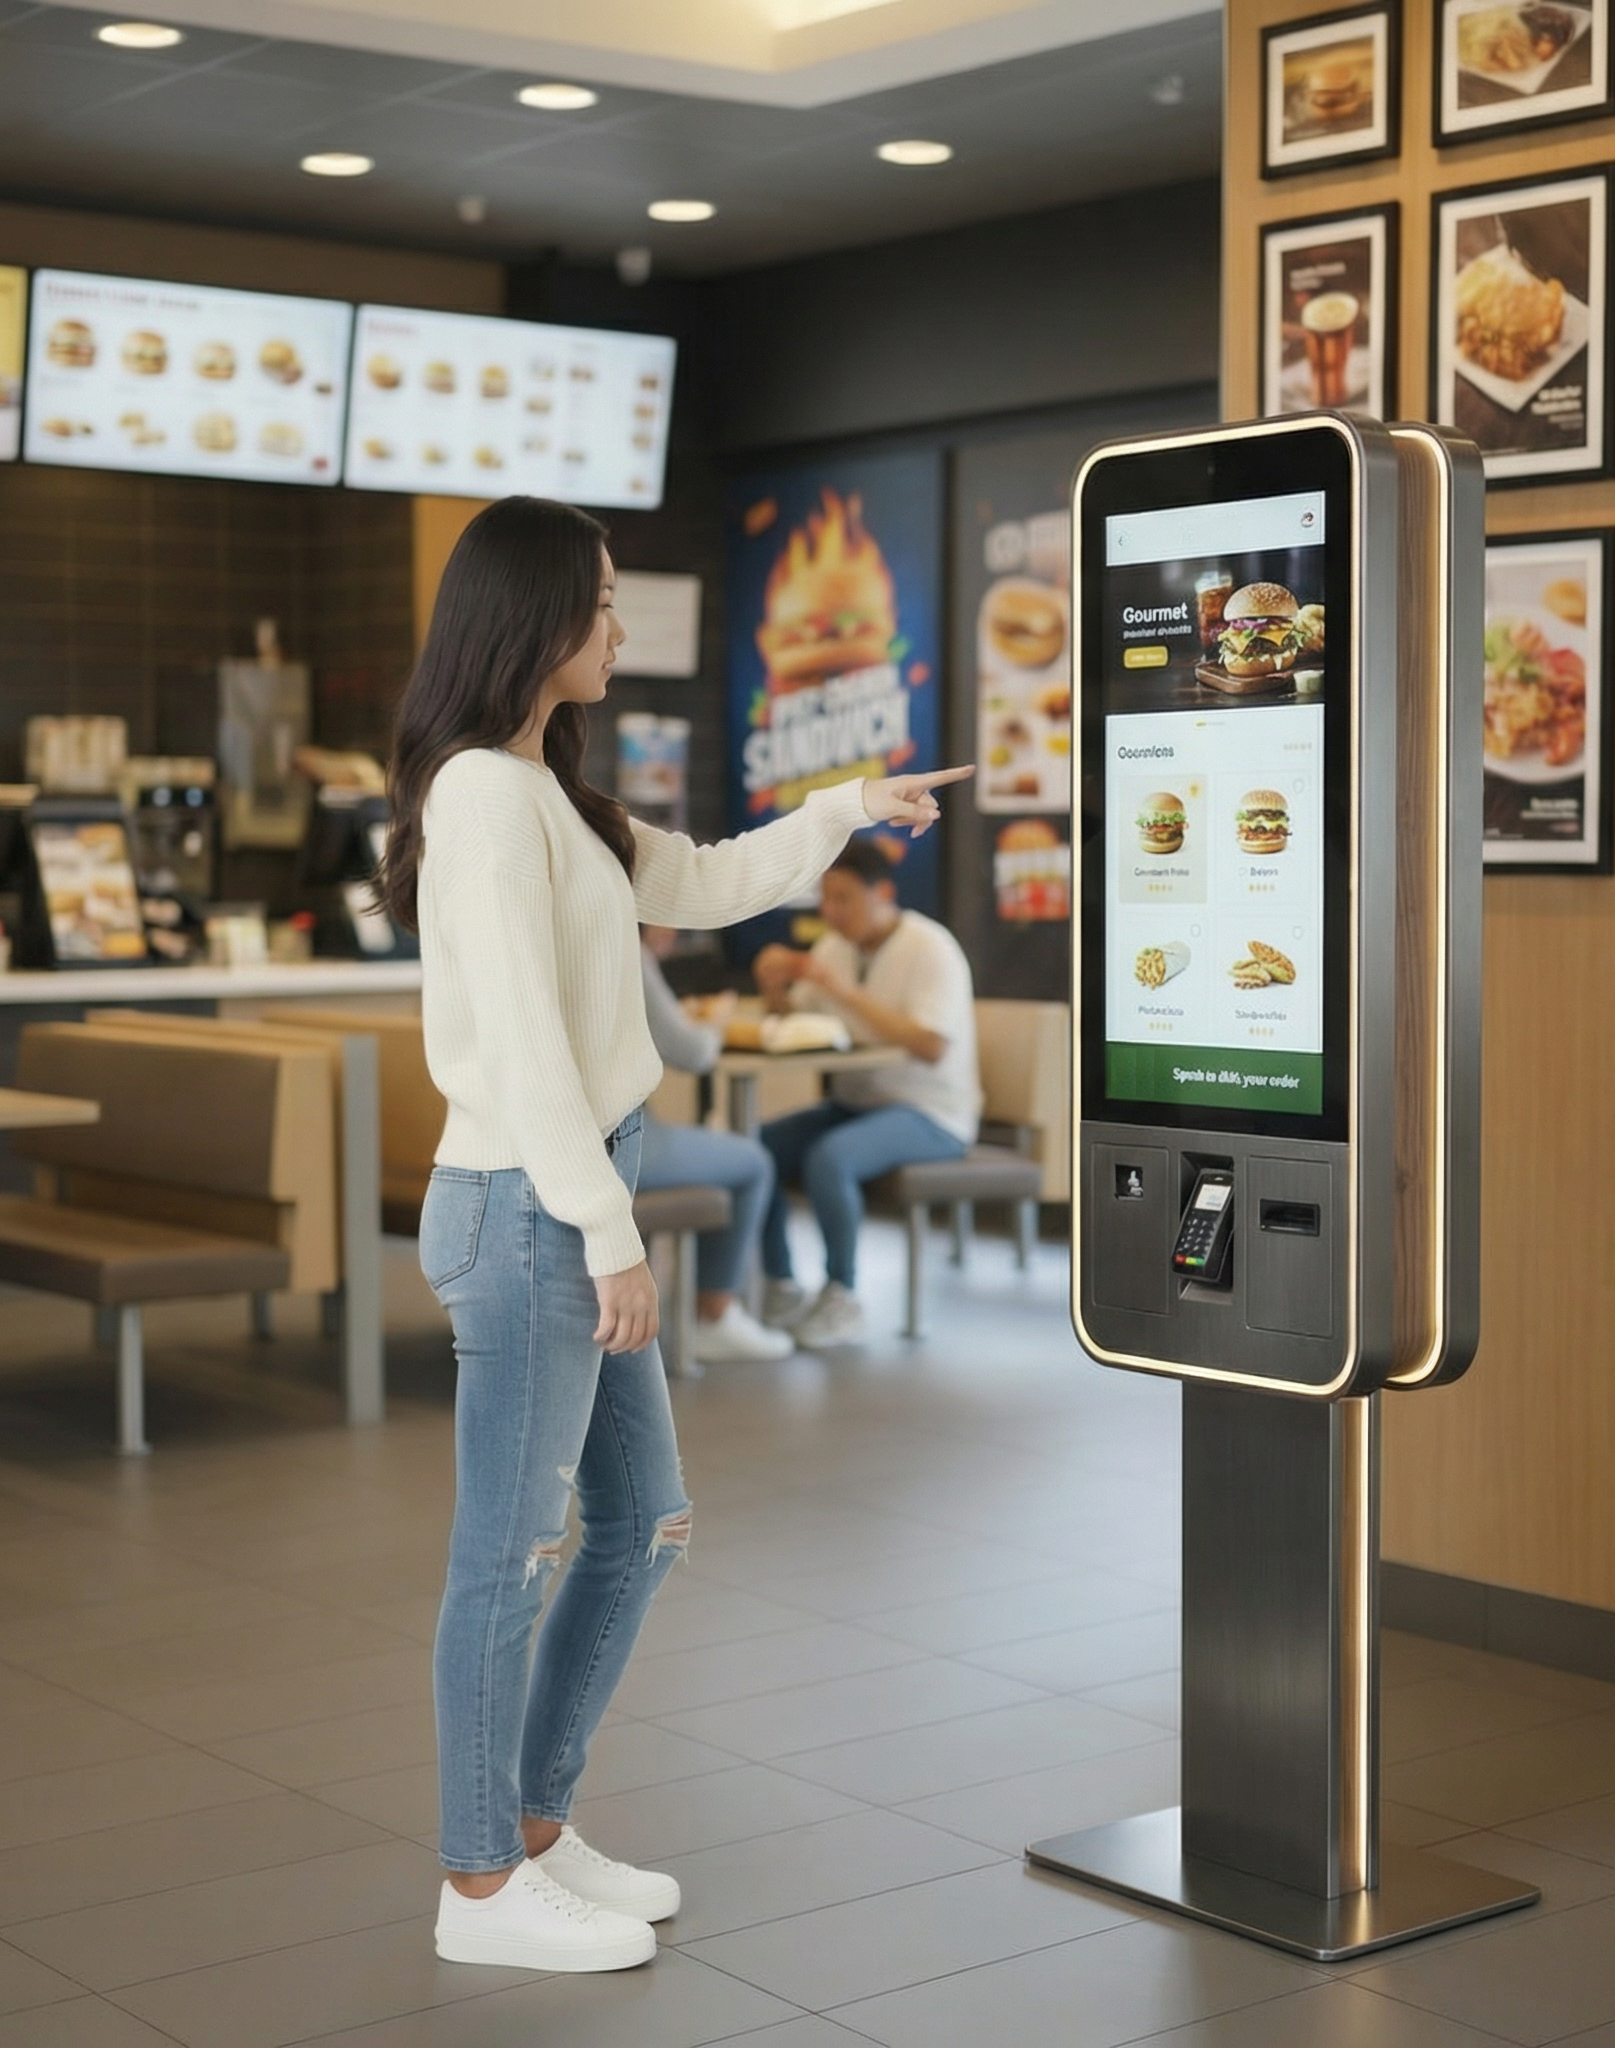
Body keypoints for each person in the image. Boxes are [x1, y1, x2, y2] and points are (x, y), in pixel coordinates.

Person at [379, 495, 969, 1975]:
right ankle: (477, 1885)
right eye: (598, 601)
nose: (618, 626)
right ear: (532, 616)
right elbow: (524, 1041)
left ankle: (531, 1823)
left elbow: (704, 876)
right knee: (507, 1557)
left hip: (564, 1194)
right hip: (528, 1205)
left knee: (640, 1523)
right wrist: (607, 1231)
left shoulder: (546, 790)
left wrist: (846, 805)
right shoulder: (482, 795)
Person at [751, 837, 980, 1347]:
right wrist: (772, 987)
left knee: (830, 1158)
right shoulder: (834, 947)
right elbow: (798, 1024)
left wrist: (846, 993)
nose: (831, 912)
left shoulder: (932, 947)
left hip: (932, 1114)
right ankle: (781, 1284)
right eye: (825, 899)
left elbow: (931, 1045)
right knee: (756, 1147)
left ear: (883, 894)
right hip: (855, 1105)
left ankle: (843, 1296)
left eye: (844, 899)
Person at [636, 926, 794, 1364]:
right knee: (754, 1161)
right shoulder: (630, 954)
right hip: (622, 1143)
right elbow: (693, 1053)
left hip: (561, 1141)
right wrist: (718, 1024)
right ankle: (715, 1316)